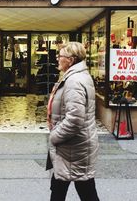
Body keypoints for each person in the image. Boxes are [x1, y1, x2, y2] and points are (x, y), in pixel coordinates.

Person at [47, 42, 100, 201]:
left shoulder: (74, 81)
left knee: (84, 190)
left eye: (60, 56)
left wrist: (54, 136)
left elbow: (75, 120)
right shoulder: (76, 76)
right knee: (65, 188)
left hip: (73, 147)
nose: (57, 59)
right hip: (74, 146)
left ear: (70, 60)